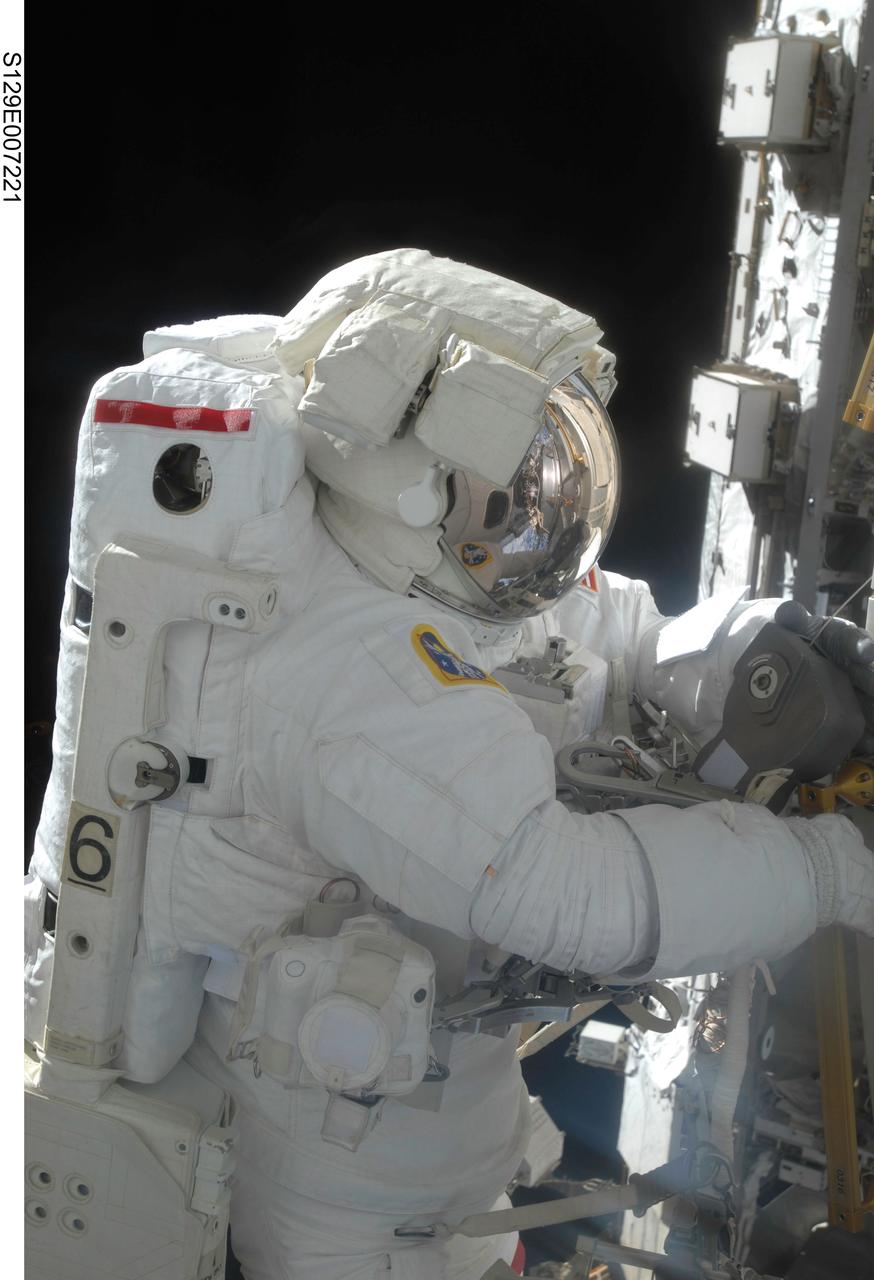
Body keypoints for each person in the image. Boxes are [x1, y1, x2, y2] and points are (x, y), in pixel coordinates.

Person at [26, 249, 874, 1280]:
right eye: (512, 496)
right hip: (346, 1198)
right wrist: (834, 868)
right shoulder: (337, 675)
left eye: (541, 487)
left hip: (444, 1120)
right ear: (409, 479)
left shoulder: (447, 561)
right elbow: (567, 889)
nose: (529, 518)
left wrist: (751, 653)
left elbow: (605, 641)